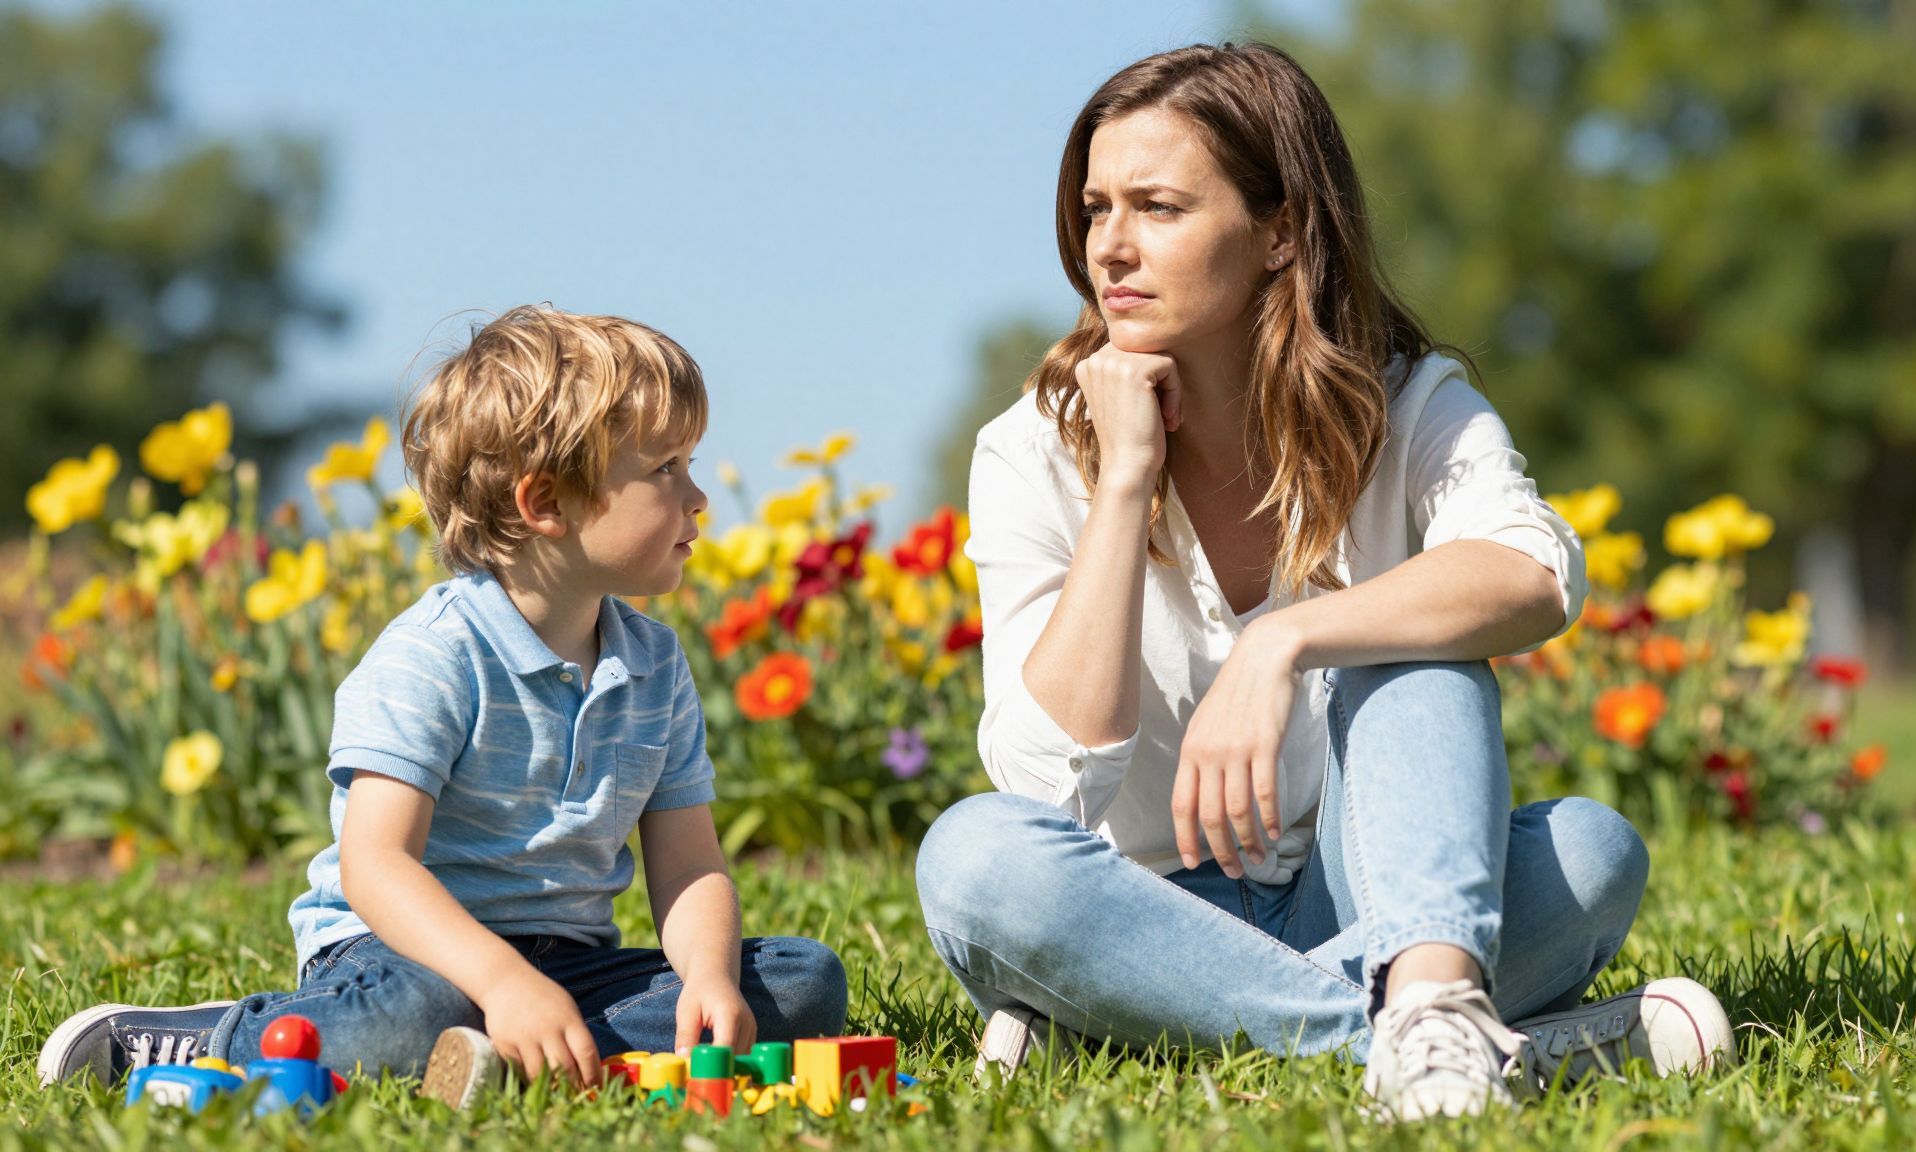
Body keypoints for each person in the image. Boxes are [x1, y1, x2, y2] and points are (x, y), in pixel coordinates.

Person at [915, 43, 1731, 1120]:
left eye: (1156, 206)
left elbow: (1532, 573)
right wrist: (1122, 484)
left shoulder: (1406, 404)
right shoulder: (1029, 448)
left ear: (1282, 230)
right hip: (1130, 916)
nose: (1108, 246)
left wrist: (1284, 640)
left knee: (1582, 843)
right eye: (1094, 207)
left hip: (1377, 899)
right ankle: (1456, 1039)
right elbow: (1040, 786)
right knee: (975, 860)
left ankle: (1134, 1029)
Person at [38, 306, 847, 1106]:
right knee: (425, 1011)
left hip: (560, 963)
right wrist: (497, 980)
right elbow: (376, 866)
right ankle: (226, 1039)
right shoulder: (434, 654)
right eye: (665, 469)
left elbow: (691, 865)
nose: (698, 495)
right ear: (546, 504)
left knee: (800, 983)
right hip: (398, 957)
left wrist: (706, 979)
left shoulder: (654, 665)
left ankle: (505, 1053)